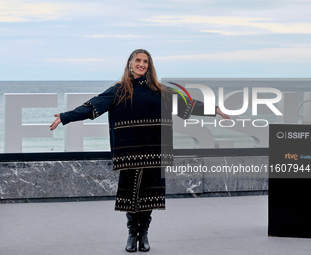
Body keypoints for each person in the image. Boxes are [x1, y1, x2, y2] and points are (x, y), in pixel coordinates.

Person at [50, 49, 229, 252]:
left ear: (149, 66)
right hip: (130, 152)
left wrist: (214, 109)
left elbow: (186, 104)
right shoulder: (118, 90)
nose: (141, 64)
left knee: (148, 196)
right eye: (138, 60)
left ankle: (144, 234)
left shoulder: (161, 91)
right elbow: (92, 107)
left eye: (145, 61)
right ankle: (132, 233)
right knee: (131, 196)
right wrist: (65, 117)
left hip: (154, 150)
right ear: (130, 63)